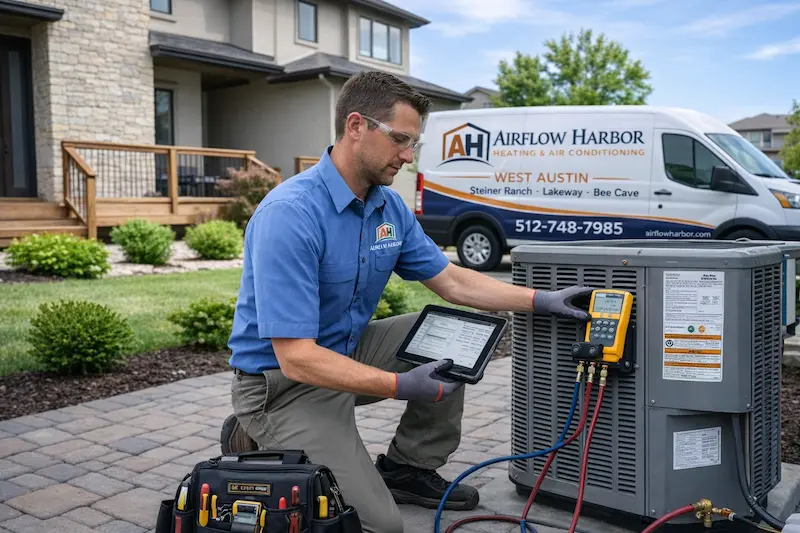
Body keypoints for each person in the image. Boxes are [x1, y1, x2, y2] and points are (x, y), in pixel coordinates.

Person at [221, 71, 593, 533]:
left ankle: (407, 468)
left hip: (342, 352)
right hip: (282, 386)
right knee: (380, 525)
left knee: (453, 333)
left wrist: (541, 299)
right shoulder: (291, 215)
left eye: (412, 143)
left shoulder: (387, 206)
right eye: (400, 139)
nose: (407, 155)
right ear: (356, 126)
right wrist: (402, 386)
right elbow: (295, 357)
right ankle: (254, 432)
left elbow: (453, 281)